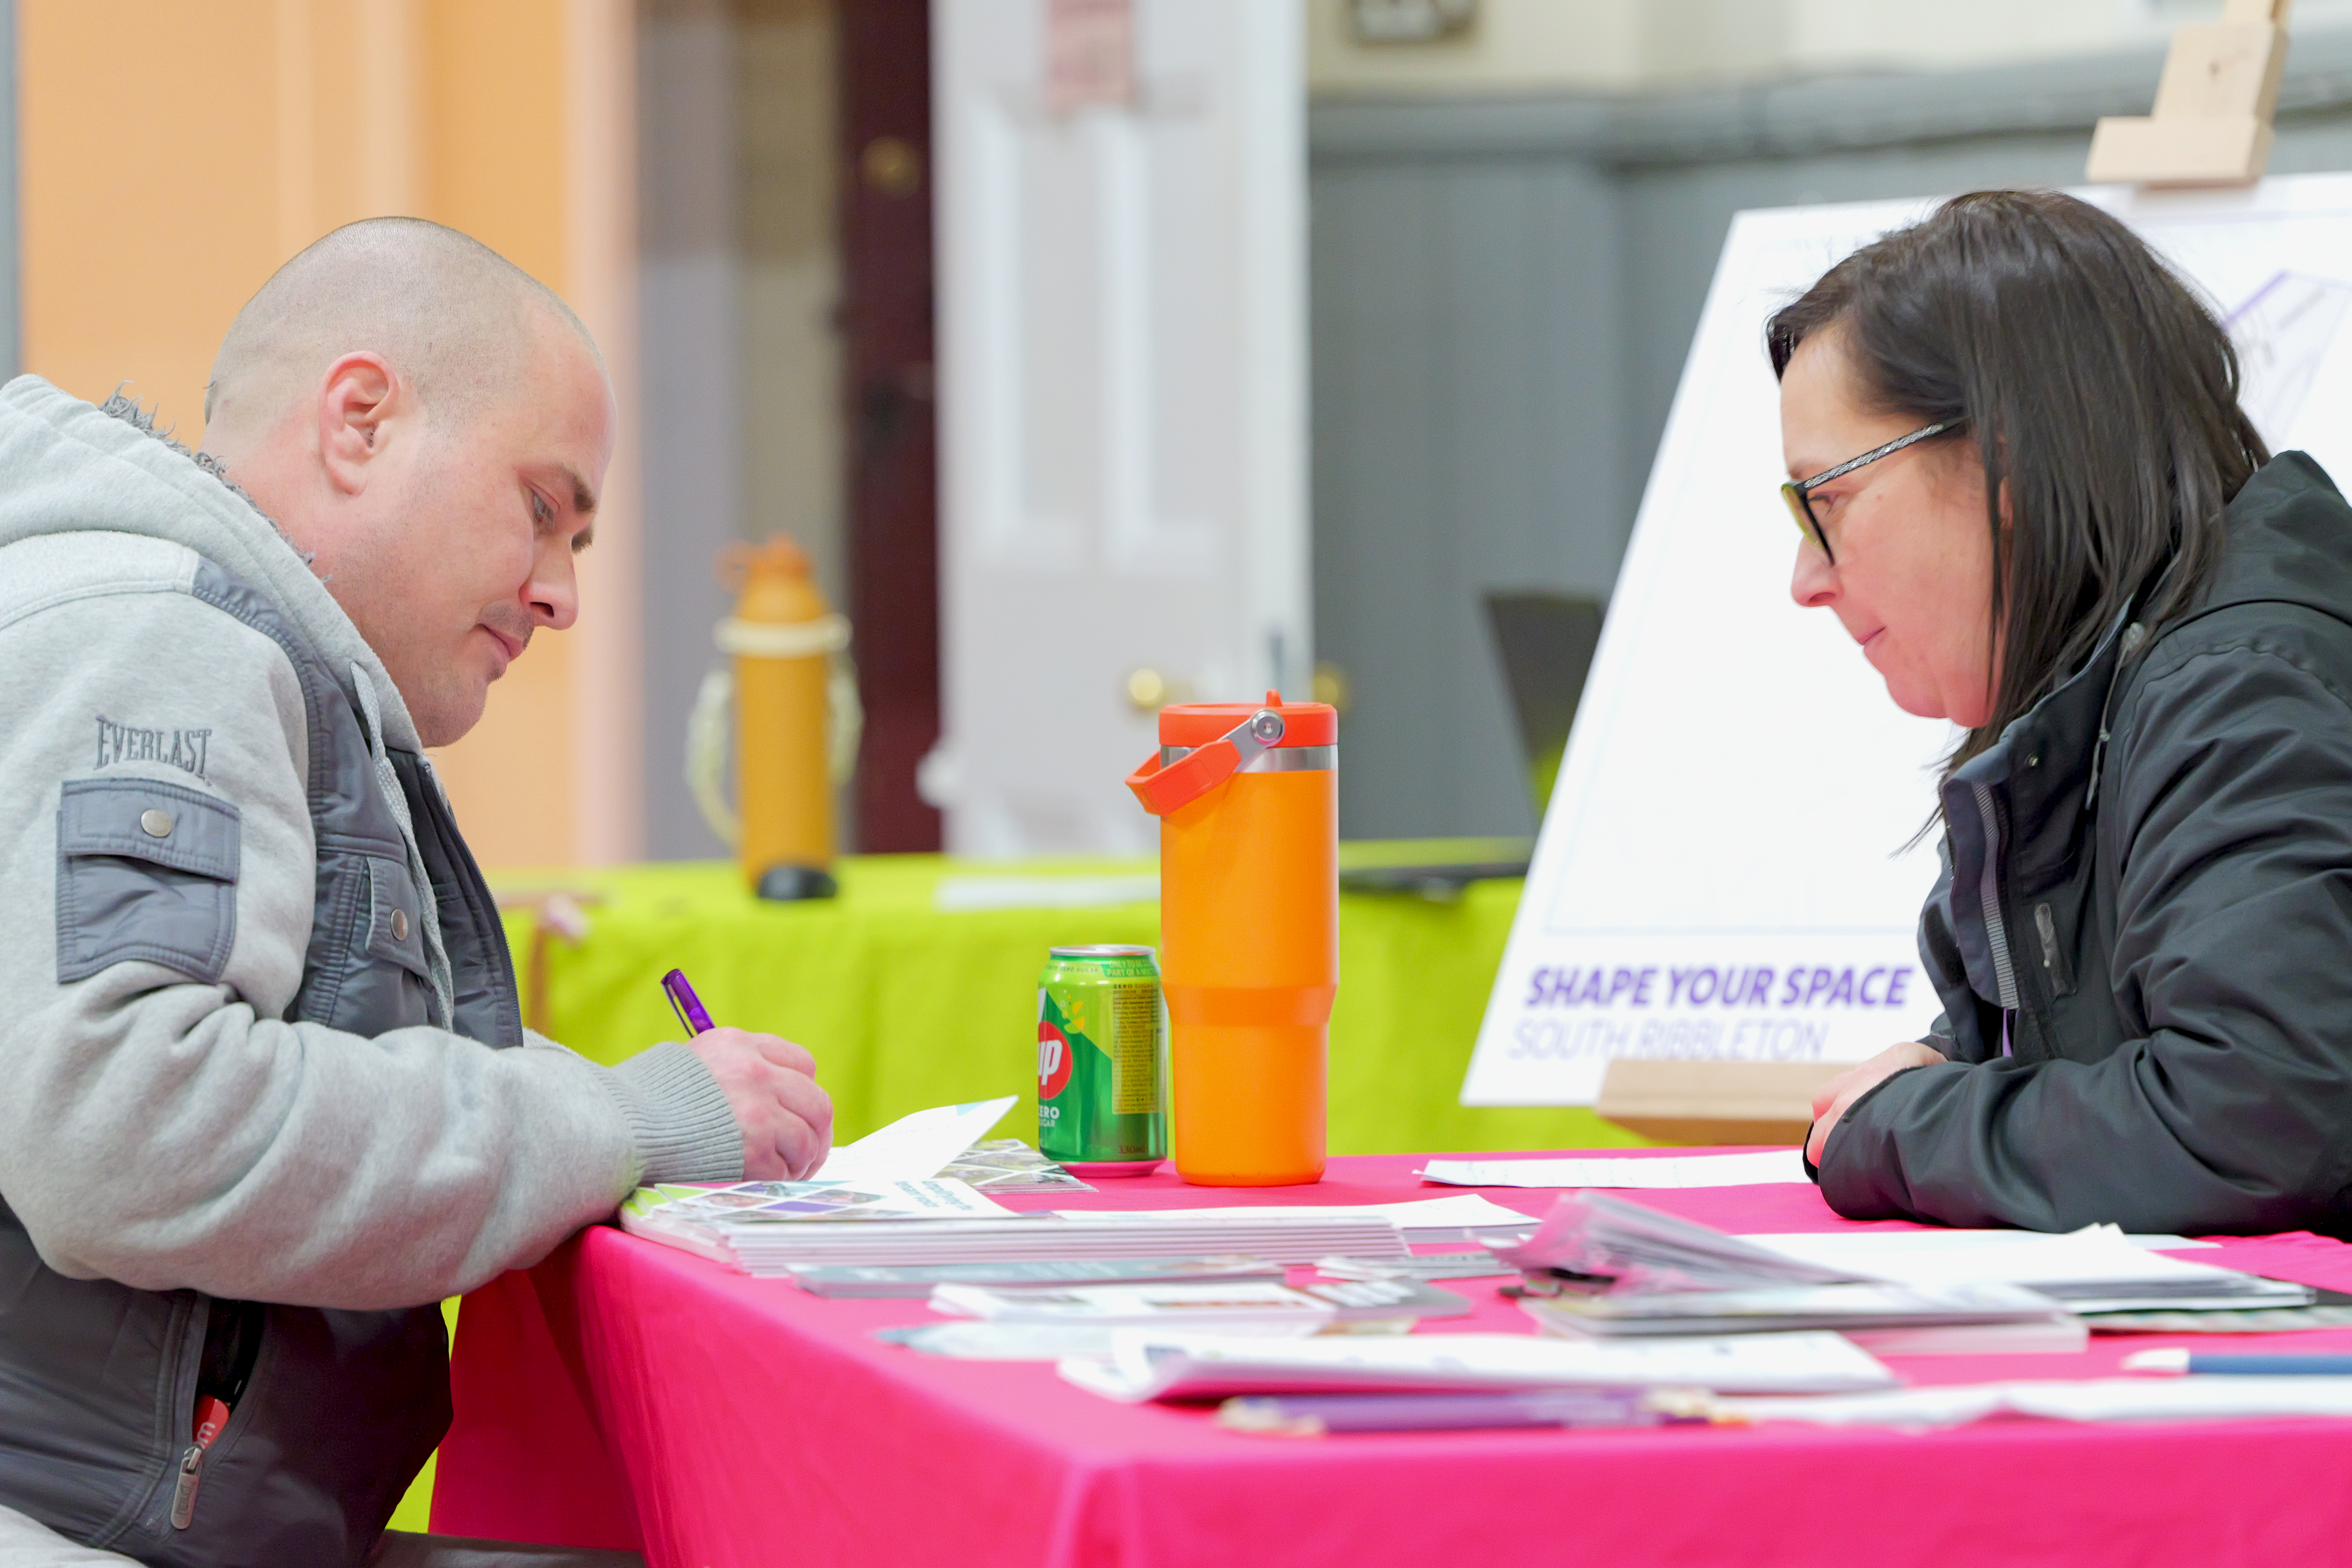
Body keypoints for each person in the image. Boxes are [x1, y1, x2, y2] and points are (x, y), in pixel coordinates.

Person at [0, 218, 834, 1568]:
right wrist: (619, 1117)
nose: (562, 595)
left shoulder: (190, 638)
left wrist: (598, 1109)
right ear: (362, 421)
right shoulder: (158, 640)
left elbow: (290, 1057)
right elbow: (125, 1132)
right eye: (543, 509)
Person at [1779, 188, 2352, 1236]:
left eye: (1824, 503)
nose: (1806, 578)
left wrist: (1916, 1125)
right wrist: (1954, 1072)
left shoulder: (2242, 686)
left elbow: (2260, 1120)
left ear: (2005, 459)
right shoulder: (2101, 695)